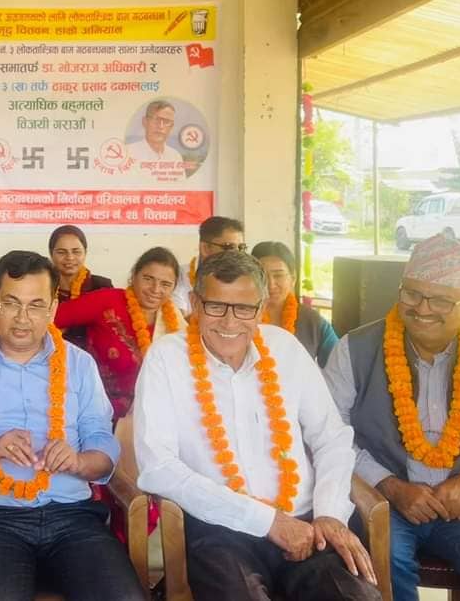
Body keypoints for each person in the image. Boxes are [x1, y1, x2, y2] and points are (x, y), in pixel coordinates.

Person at [134, 251, 380, 601]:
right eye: (215, 306)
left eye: (244, 308)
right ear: (195, 303)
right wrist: (267, 521)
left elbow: (331, 438)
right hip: (220, 531)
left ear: (261, 307)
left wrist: (329, 513)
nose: (229, 322)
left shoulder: (285, 348)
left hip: (308, 524)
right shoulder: (166, 357)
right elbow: (158, 467)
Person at [0, 250, 148, 601]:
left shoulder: (79, 364)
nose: (23, 318)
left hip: (73, 519)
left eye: (36, 305)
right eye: (12, 303)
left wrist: (80, 461)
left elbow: (103, 445)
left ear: (53, 308)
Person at [324, 232, 460, 601]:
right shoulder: (354, 349)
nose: (423, 309)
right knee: (381, 564)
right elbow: (330, 435)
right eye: (412, 294)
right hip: (380, 501)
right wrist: (389, 485)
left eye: (441, 299)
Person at [54, 247, 183, 420]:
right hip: (96, 415)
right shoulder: (107, 300)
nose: (155, 289)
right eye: (148, 279)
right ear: (134, 276)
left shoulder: (176, 323)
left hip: (152, 419)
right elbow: (49, 319)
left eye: (165, 284)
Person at [251, 241, 339, 367]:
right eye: (262, 275)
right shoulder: (239, 318)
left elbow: (339, 365)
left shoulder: (312, 322)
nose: (270, 284)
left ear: (293, 279)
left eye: (278, 275)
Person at [47, 225, 111, 346]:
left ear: (85, 252)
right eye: (61, 252)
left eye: (76, 251)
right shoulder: (43, 287)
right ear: (51, 254)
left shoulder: (102, 287)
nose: (70, 258)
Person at [170, 215, 246, 315]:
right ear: (205, 248)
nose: (237, 255)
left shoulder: (246, 280)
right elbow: (178, 320)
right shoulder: (178, 276)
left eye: (241, 248)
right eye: (230, 247)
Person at [126, 100, 186, 181]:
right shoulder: (128, 154)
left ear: (171, 127)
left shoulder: (176, 157)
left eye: (167, 122)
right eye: (156, 119)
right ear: (145, 122)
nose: (161, 126)